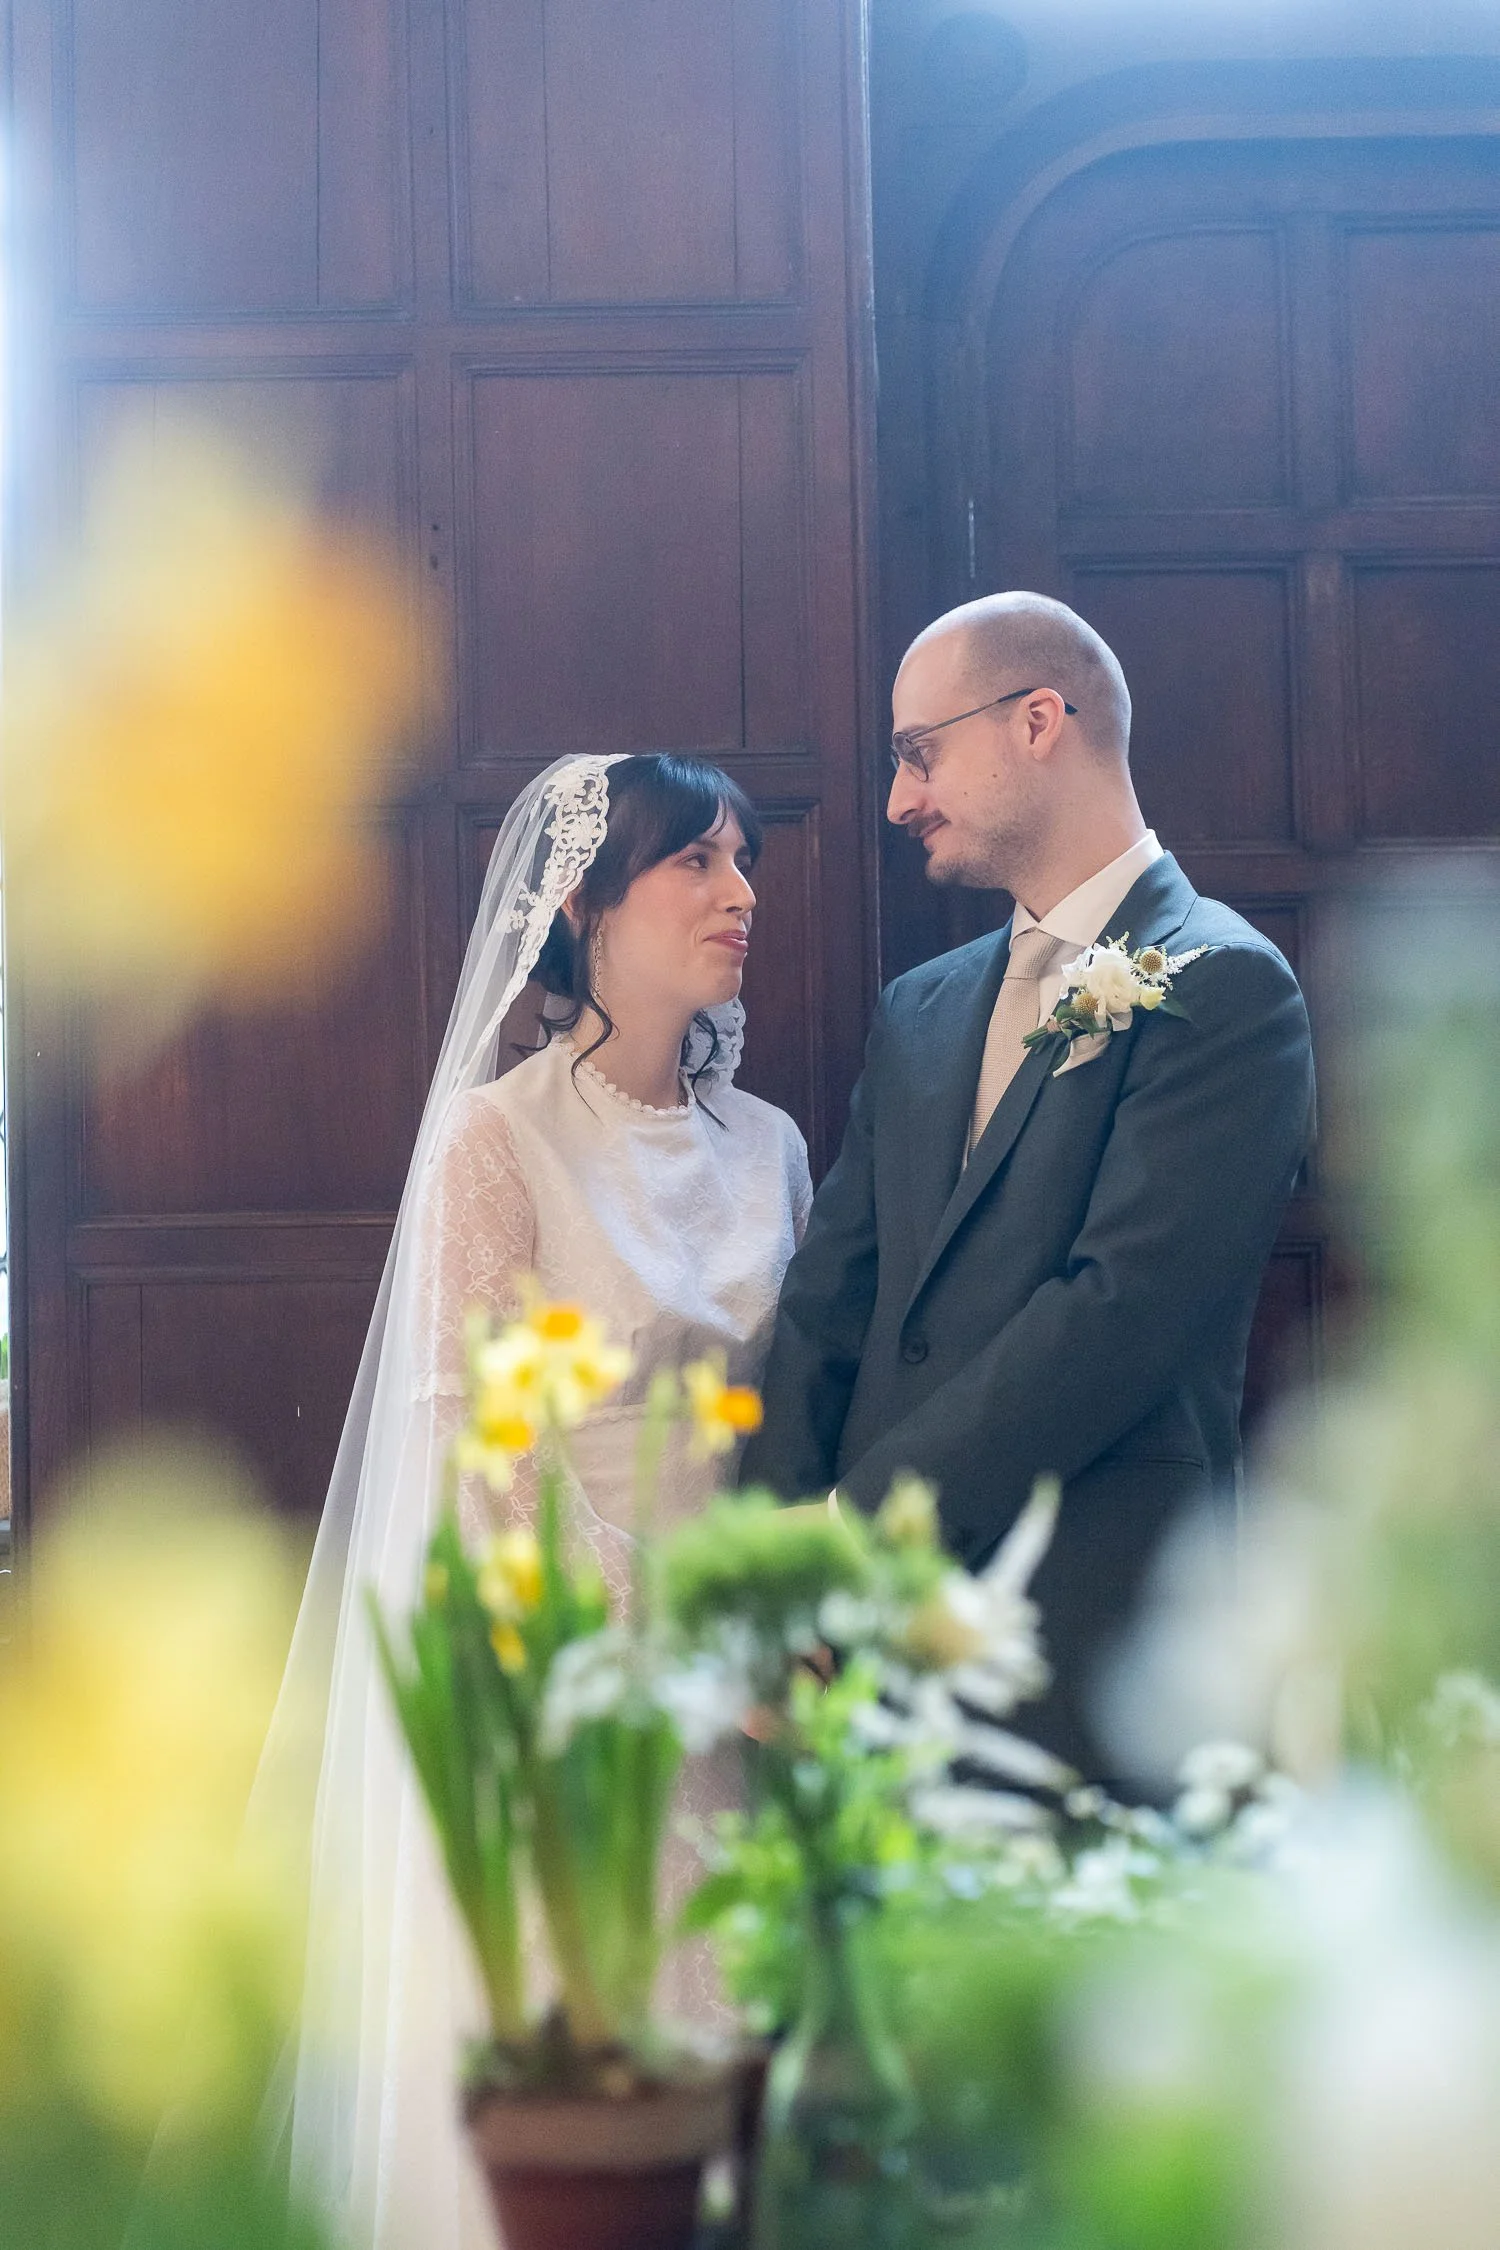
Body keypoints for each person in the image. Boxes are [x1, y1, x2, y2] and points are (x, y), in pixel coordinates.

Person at [260, 753, 811, 2250]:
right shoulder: (495, 1139)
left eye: (745, 860)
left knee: (740, 2095)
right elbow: (486, 1456)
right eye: (696, 861)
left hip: (754, 1679)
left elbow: (803, 1423)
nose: (740, 893)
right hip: (570, 1662)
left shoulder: (772, 1146)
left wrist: (771, 1627)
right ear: (585, 905)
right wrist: (659, 1645)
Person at [743, 592, 1315, 1778]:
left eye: (919, 753)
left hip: (1084, 1635)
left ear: (1039, 721)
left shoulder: (1225, 985)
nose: (899, 799)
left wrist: (860, 1530)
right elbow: (831, 1295)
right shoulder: (922, 1006)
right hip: (864, 1660)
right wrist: (777, 1580)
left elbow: (1119, 1314)